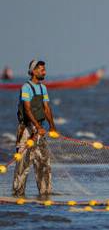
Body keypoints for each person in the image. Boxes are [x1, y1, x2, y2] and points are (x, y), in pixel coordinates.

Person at [13, 60, 56, 198]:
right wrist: (36, 127)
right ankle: (18, 195)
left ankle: (45, 195)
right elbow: (27, 109)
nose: (44, 72)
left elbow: (47, 108)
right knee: (23, 165)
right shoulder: (26, 87)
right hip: (26, 130)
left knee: (44, 163)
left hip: (40, 131)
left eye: (44, 69)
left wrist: (52, 127)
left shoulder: (43, 88)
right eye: (41, 70)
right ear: (33, 71)